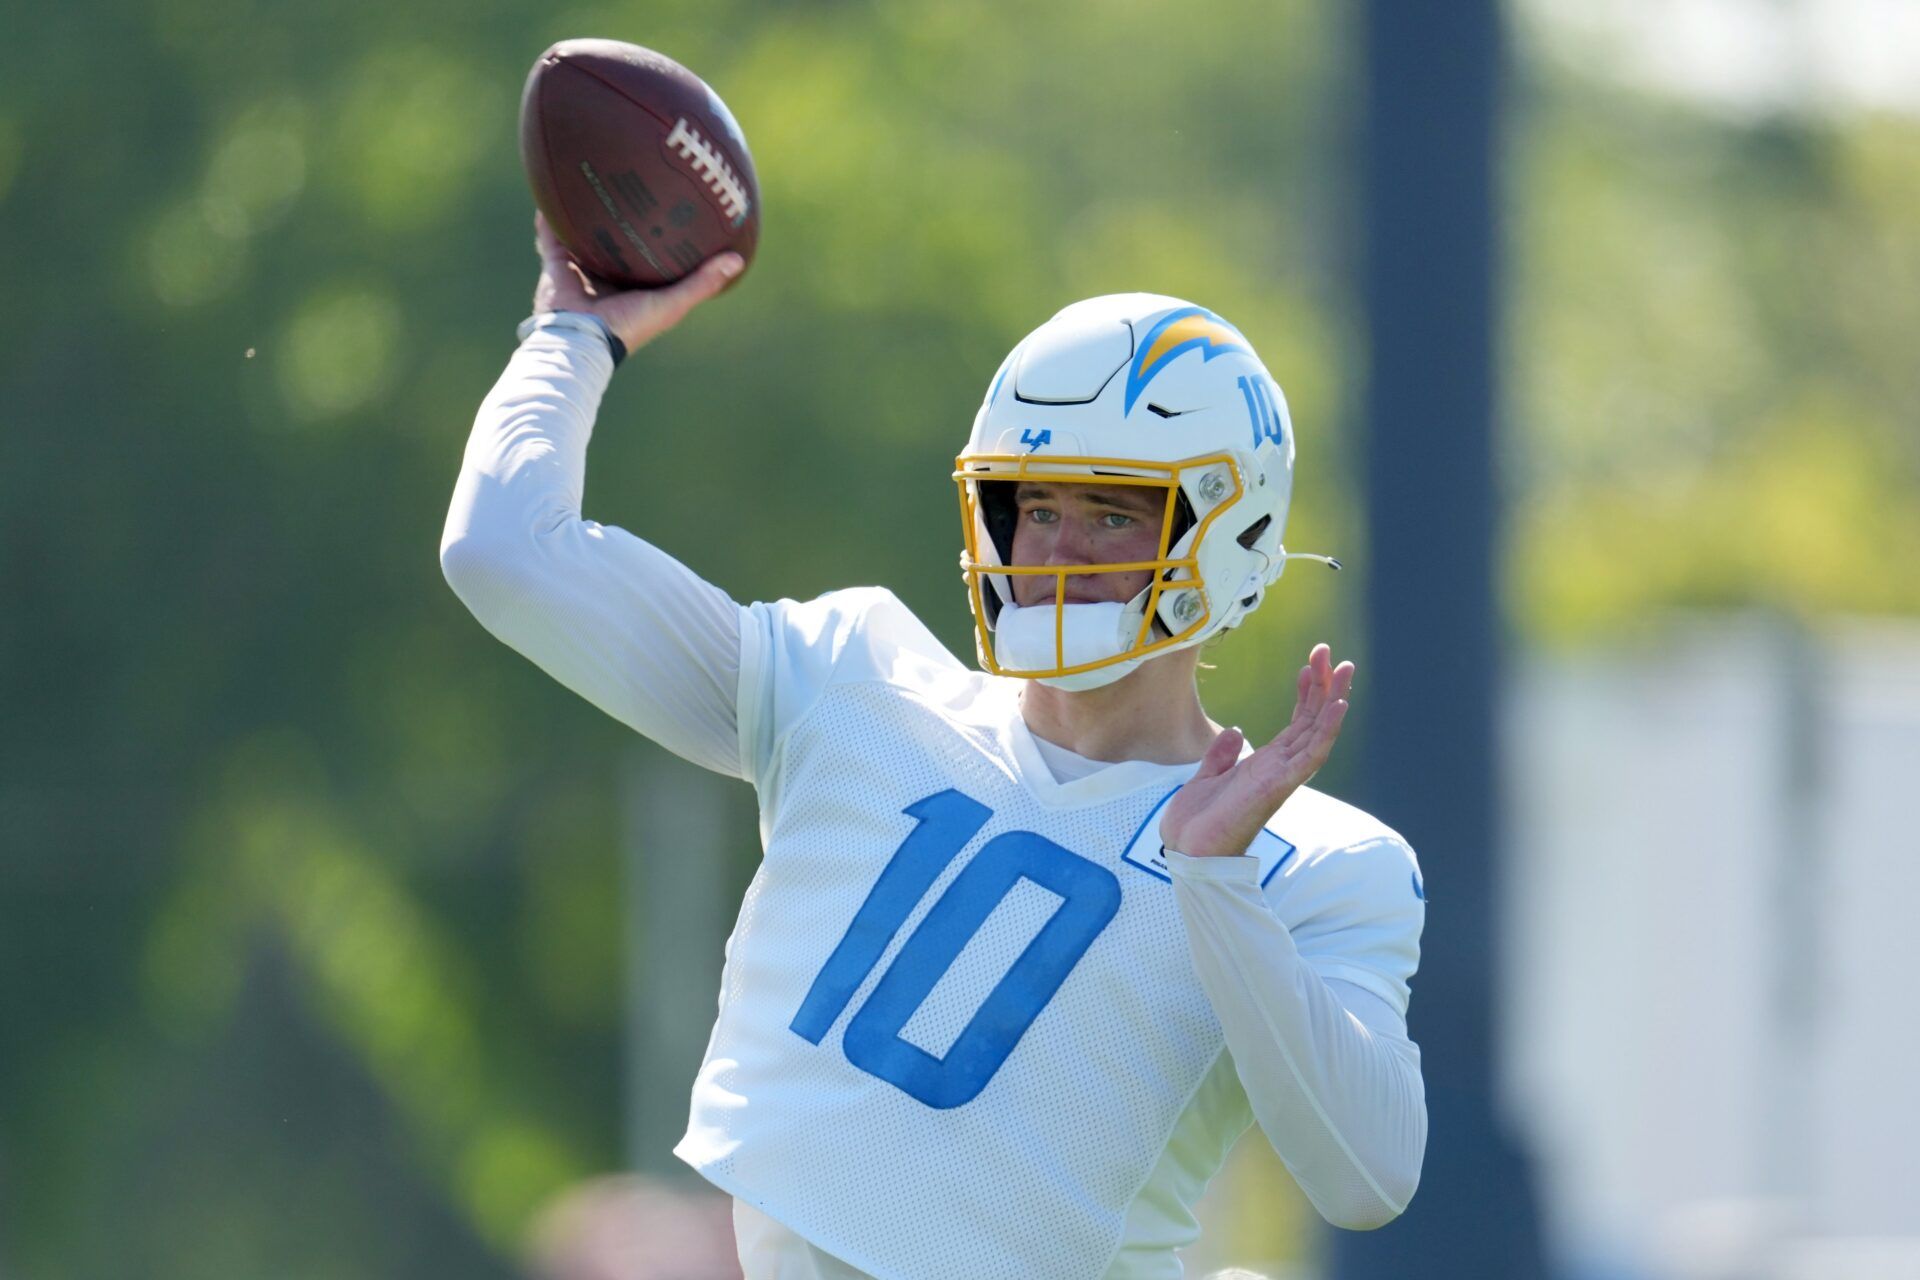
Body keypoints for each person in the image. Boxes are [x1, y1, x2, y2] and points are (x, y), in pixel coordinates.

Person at [439, 215, 1428, 1280]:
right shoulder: (850, 679)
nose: (1054, 550)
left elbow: (1367, 1178)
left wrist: (1217, 880)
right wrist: (571, 337)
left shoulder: (1313, 859)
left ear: (1225, 534)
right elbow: (505, 551)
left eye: (1111, 515)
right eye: (1032, 504)